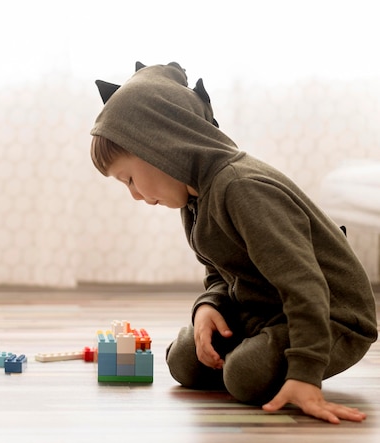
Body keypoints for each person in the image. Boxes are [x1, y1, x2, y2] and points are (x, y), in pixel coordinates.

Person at [89, 61, 378, 424]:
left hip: (331, 316)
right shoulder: (192, 197)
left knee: (245, 376)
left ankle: (276, 361)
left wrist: (305, 373)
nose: (133, 194)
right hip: (267, 307)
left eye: (129, 178)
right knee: (183, 359)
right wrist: (208, 306)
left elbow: (304, 283)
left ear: (160, 145)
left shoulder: (242, 188)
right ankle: (255, 351)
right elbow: (220, 270)